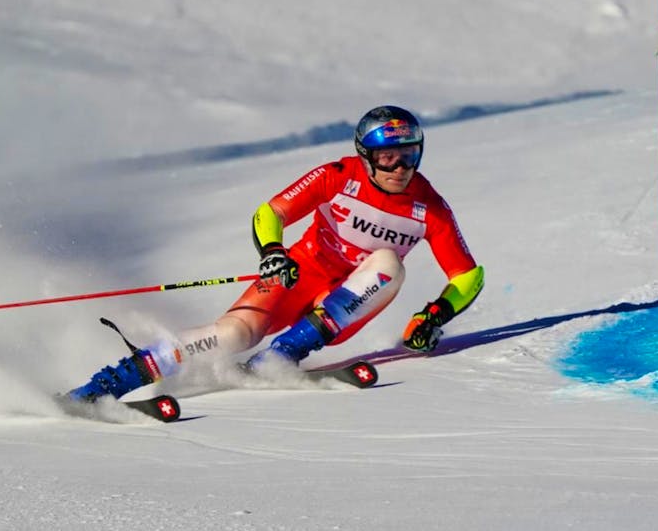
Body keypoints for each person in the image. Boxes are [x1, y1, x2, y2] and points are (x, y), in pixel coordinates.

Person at [67, 105, 484, 402]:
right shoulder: (336, 176)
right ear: (367, 156)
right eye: (389, 158)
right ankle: (107, 386)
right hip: (298, 274)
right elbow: (271, 212)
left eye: (408, 156)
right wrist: (272, 252)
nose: (400, 168)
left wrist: (433, 317)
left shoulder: (428, 208)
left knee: (388, 263)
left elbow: (468, 276)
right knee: (232, 335)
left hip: (348, 302)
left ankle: (283, 354)